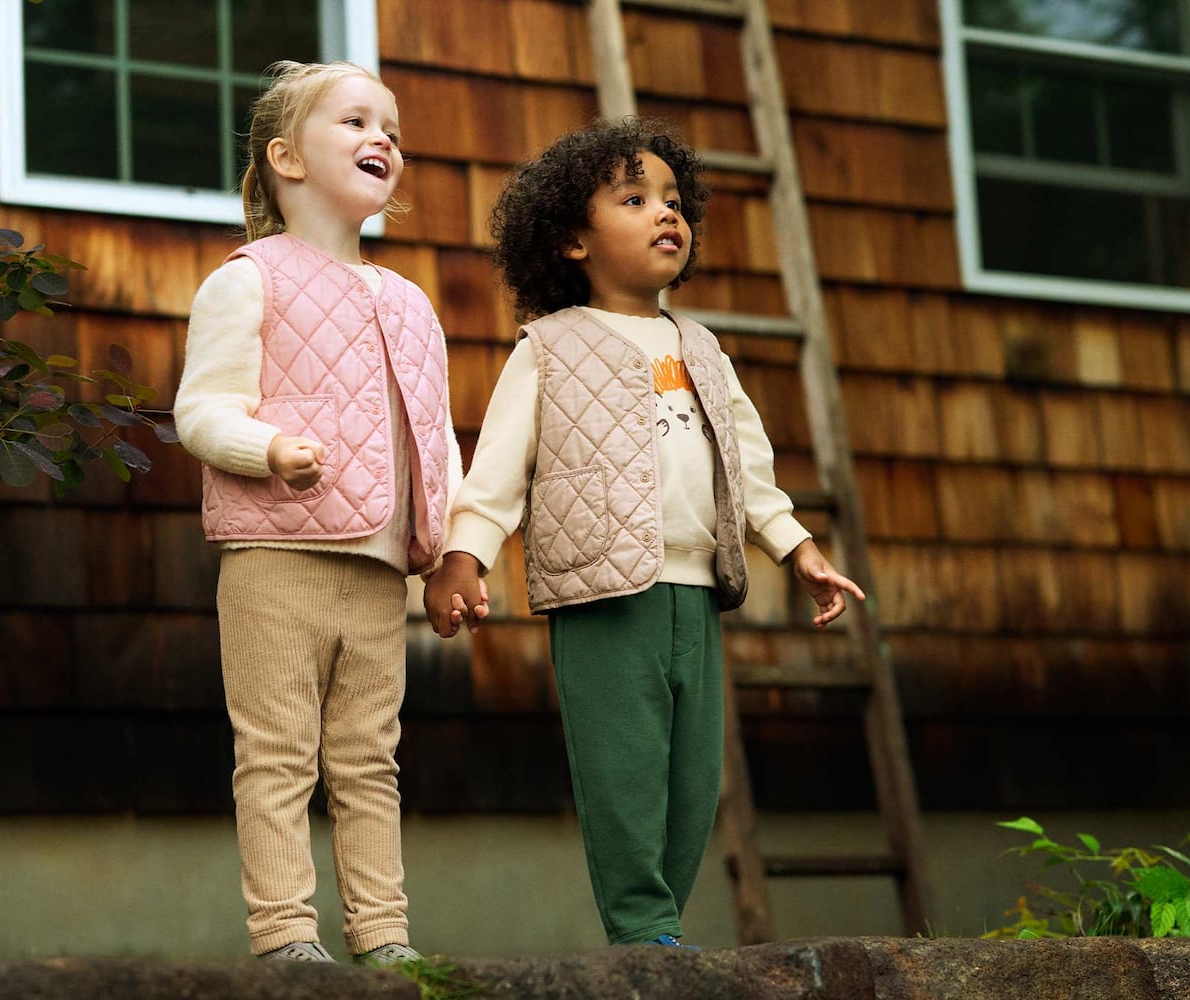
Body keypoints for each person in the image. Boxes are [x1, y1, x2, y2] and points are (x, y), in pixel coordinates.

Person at [423, 117, 864, 949]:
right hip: (603, 594)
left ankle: (661, 927)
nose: (666, 213)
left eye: (673, 200)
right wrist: (462, 556)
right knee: (622, 770)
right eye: (634, 199)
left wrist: (797, 548)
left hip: (696, 592)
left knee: (693, 779)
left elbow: (748, 468)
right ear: (571, 241)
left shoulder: (701, 348)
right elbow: (499, 470)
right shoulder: (549, 347)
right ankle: (643, 930)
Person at [172, 60, 476, 965]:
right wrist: (265, 450)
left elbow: (437, 443)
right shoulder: (247, 280)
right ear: (286, 158)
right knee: (274, 756)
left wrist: (456, 555)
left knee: (368, 762)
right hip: (274, 559)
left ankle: (385, 939)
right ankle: (285, 939)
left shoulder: (412, 302)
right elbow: (200, 412)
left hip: (381, 575)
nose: (381, 138)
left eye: (391, 130)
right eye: (353, 122)